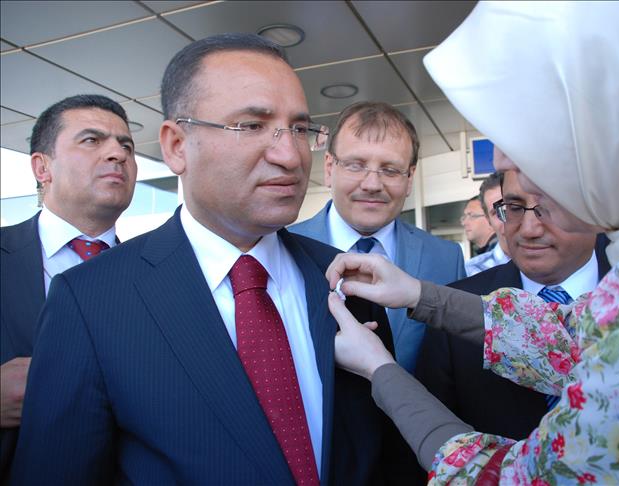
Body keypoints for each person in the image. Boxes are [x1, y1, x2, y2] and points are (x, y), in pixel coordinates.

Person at [326, 1, 619, 484]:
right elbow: (569, 338)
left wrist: (380, 370)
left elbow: (516, 477)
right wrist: (417, 294)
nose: (504, 161)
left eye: (530, 132)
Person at [10, 34, 394, 485]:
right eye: (251, 126)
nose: (290, 155)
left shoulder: (346, 279)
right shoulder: (91, 300)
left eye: (299, 129)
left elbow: (382, 456)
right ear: (176, 145)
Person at [0, 94, 137, 481]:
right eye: (92, 140)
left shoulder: (161, 277)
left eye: (126, 145)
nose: (118, 153)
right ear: (42, 167)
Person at [417, 169, 611, 440]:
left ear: (596, 210)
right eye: (515, 208)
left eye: (551, 207)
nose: (529, 229)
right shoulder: (454, 312)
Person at [289, 101, 465, 374]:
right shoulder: (284, 247)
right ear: (329, 168)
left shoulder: (445, 259)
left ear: (410, 178)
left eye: (390, 170)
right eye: (355, 165)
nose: (372, 184)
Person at [464, 172, 510, 276]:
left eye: (514, 207)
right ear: (488, 220)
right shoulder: (471, 272)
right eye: (496, 212)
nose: (506, 218)